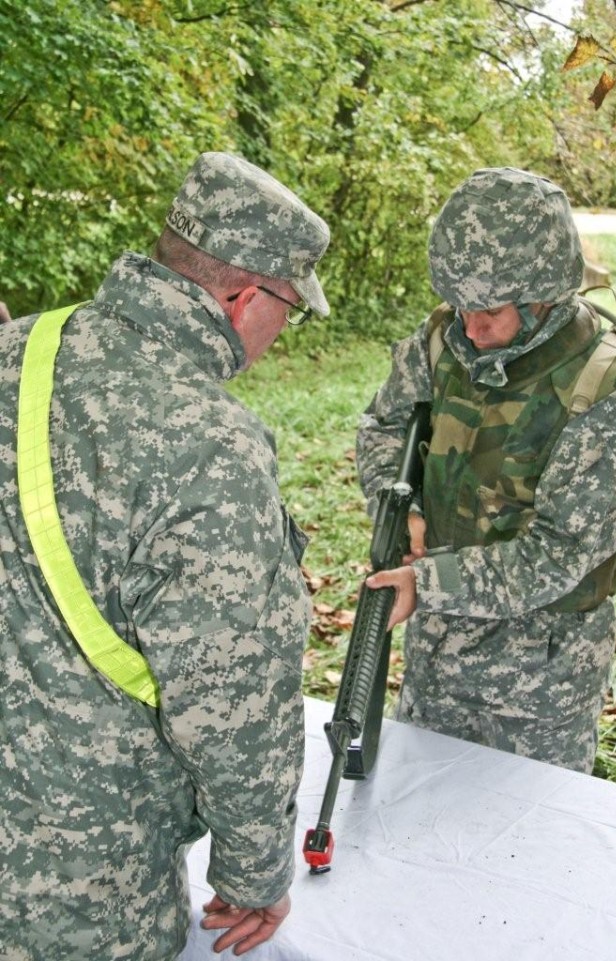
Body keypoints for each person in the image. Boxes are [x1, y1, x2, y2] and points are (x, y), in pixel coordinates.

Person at [0, 152, 330, 959]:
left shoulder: (21, 350)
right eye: (292, 307)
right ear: (246, 298)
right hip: (79, 882)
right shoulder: (212, 448)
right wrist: (255, 873)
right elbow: (231, 704)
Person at [357, 167, 616, 774]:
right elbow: (382, 427)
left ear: (546, 295)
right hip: (438, 657)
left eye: (489, 310)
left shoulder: (605, 390)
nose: (471, 327)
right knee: (416, 824)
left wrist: (424, 584)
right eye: (461, 305)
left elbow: (559, 554)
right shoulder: (441, 342)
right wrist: (396, 504)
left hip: (542, 682)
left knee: (531, 849)